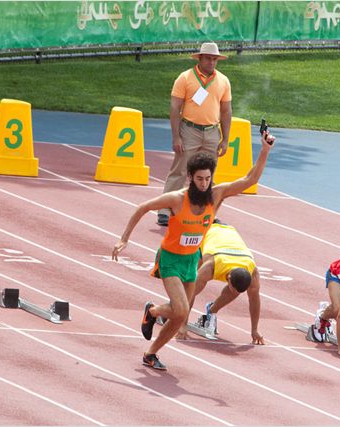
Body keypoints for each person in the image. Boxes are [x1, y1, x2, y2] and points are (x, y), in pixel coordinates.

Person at [112, 130, 275, 371]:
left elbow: (249, 180)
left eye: (207, 178)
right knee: (182, 309)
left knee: (179, 316)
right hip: (170, 259)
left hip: (192, 260)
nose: (204, 183)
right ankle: (154, 313)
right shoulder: (178, 199)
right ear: (190, 177)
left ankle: (151, 346)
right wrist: (124, 239)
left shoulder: (216, 196)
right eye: (199, 179)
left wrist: (264, 150)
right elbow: (143, 207)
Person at [157, 41, 232, 226]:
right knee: (180, 170)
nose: (211, 62)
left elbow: (226, 111)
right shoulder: (185, 78)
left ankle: (206, 212)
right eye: (208, 58)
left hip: (212, 131)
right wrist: (176, 136)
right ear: (199, 58)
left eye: (215, 59)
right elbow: (175, 107)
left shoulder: (223, 81)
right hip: (189, 129)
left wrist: (225, 139)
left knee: (208, 175)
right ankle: (165, 210)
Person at [178, 222, 265, 345]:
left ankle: (211, 311)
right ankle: (173, 309)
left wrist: (254, 330)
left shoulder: (252, 271)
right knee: (189, 282)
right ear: (228, 278)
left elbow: (254, 300)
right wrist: (182, 325)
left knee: (235, 291)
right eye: (233, 288)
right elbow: (189, 292)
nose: (235, 293)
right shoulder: (210, 266)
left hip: (228, 231)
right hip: (206, 232)